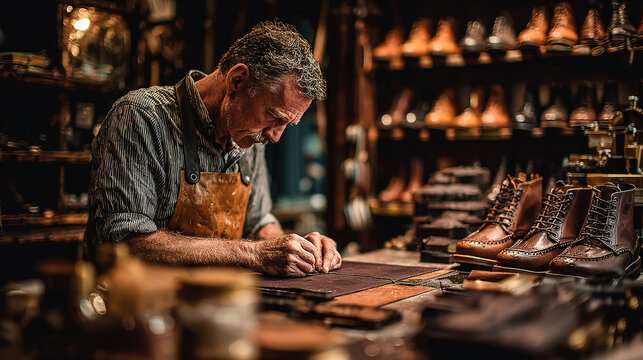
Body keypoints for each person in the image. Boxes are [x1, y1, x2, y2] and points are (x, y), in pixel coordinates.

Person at [83, 21, 341, 277]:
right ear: (237, 81)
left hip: (215, 301)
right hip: (136, 305)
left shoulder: (249, 135)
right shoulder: (141, 117)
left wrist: (297, 248)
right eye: (274, 117)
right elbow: (123, 242)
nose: (275, 137)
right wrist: (254, 254)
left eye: (288, 124)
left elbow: (258, 222)